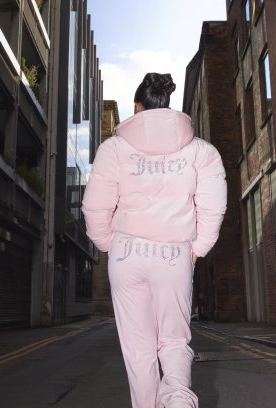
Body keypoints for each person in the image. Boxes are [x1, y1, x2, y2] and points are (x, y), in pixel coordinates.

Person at [82, 73, 227, 408]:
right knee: (174, 341)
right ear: (167, 105)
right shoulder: (201, 152)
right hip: (174, 255)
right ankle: (178, 401)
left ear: (137, 107)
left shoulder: (113, 149)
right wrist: (197, 250)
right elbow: (213, 206)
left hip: (126, 254)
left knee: (138, 351)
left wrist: (108, 244)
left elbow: (95, 206)